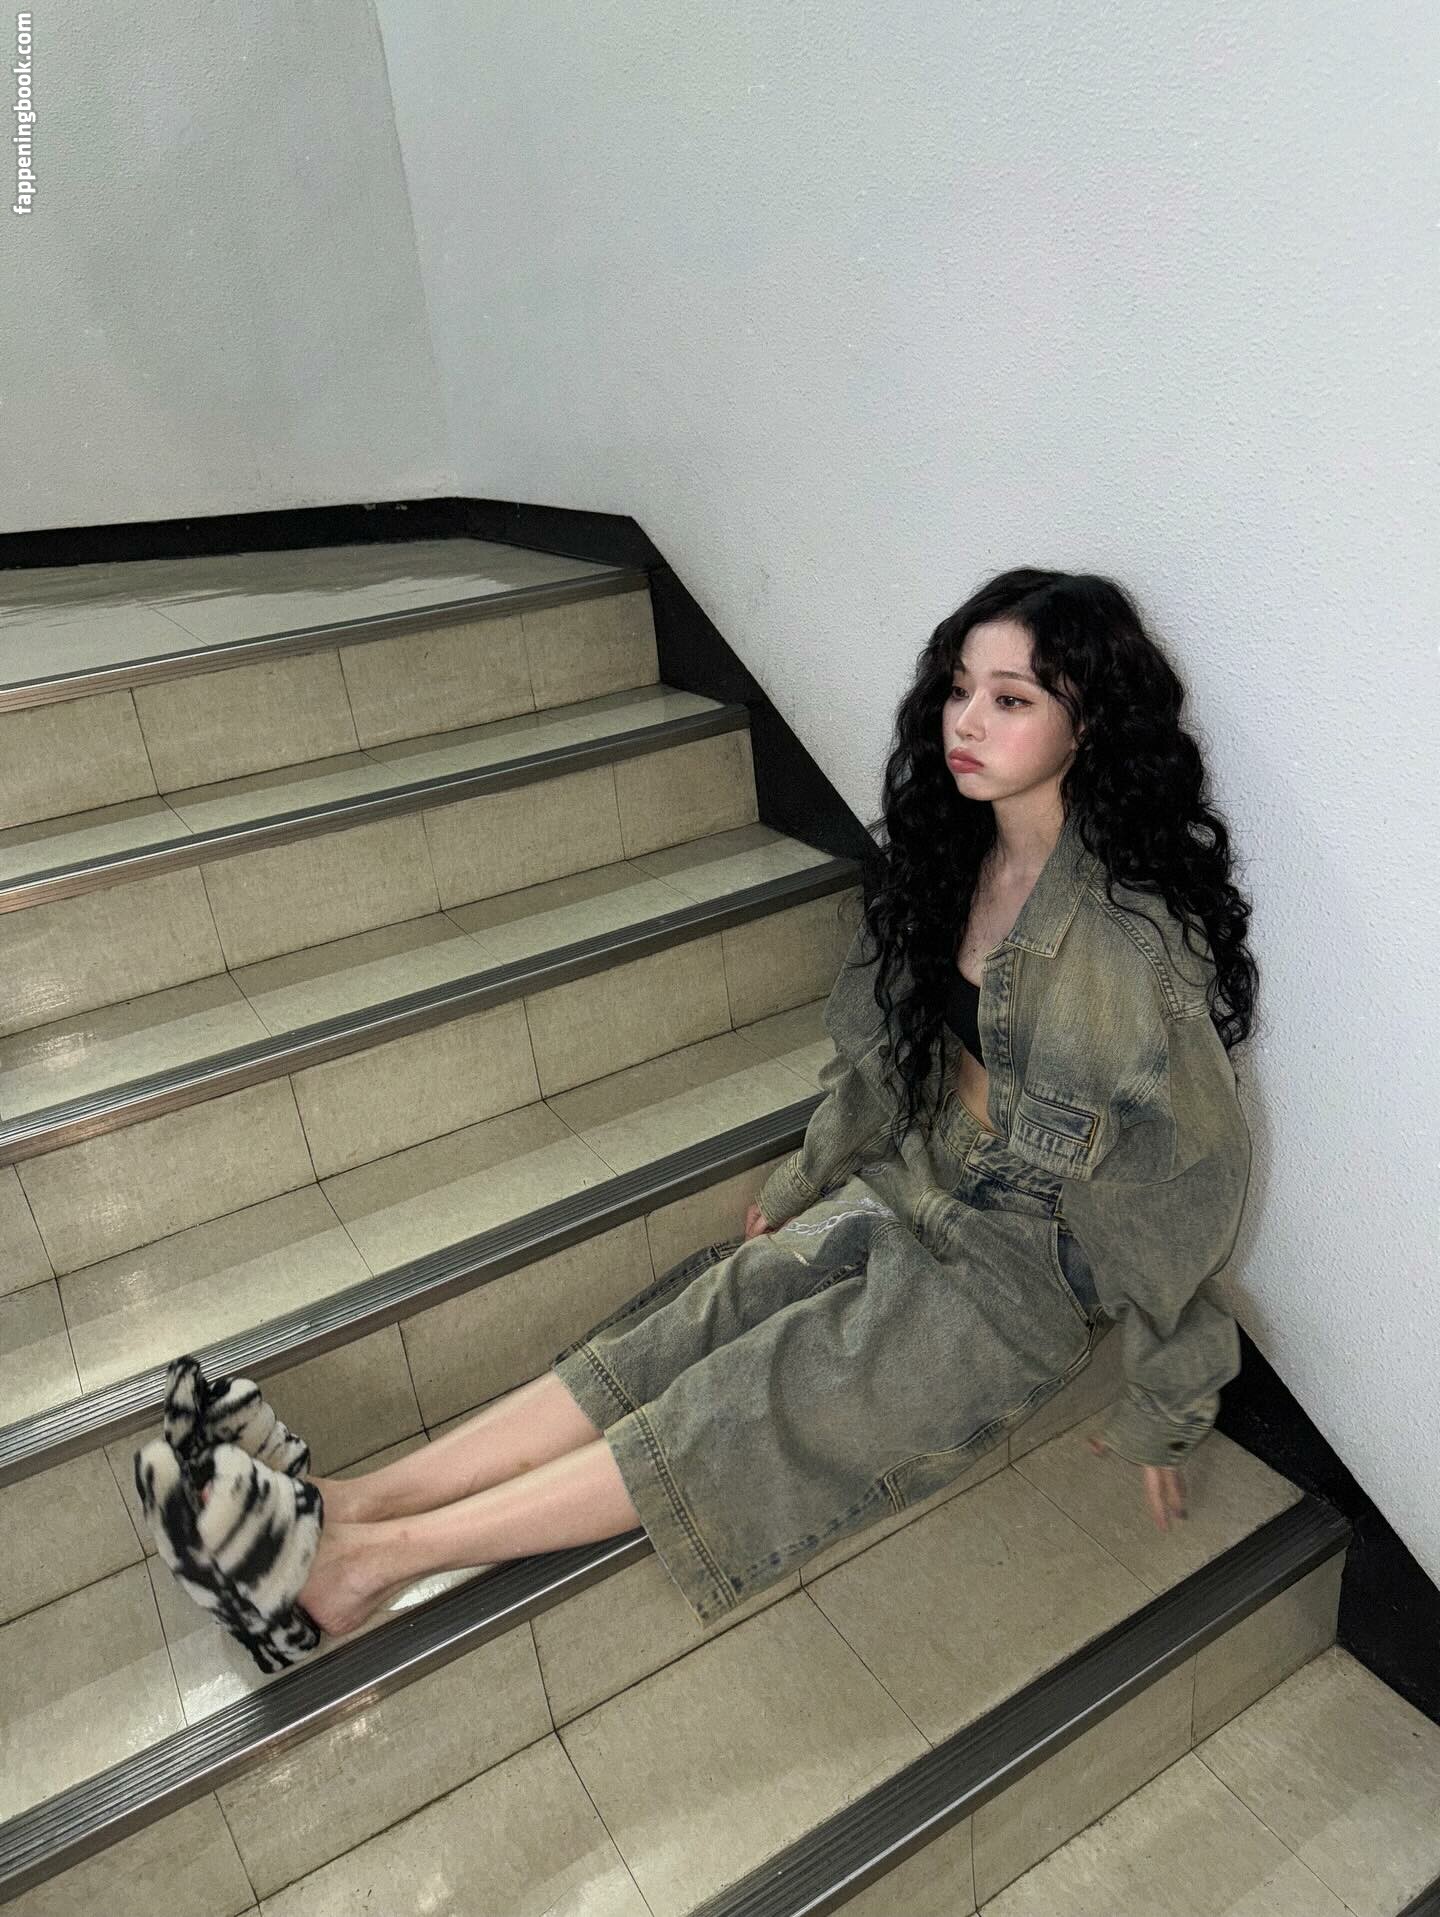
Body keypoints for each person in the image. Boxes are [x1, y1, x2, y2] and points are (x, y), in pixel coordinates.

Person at [290, 567, 1258, 1641]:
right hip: (921, 1174)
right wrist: (810, 1175)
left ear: (1090, 723)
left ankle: (372, 1564)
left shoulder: (1132, 944)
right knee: (706, 1312)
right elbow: (883, 1060)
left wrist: (1169, 1398)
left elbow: (1186, 1189)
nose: (967, 723)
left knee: (757, 1400)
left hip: (1026, 1261)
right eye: (958, 688)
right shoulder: (953, 856)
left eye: (1011, 699)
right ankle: (362, 1501)